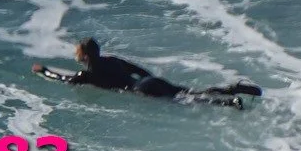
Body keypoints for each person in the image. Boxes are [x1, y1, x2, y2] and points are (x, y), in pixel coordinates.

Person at [34, 37, 262, 106]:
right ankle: (231, 89)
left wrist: (43, 71)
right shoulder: (112, 60)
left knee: (186, 101)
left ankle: (228, 102)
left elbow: (63, 78)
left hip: (139, 90)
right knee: (189, 91)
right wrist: (150, 80)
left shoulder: (86, 75)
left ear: (83, 56)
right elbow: (138, 69)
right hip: (149, 81)